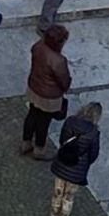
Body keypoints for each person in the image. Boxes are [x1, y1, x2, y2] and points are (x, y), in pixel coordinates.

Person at [48, 102, 102, 216]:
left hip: (62, 164)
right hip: (77, 170)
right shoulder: (93, 132)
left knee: (57, 194)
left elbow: (62, 140)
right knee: (68, 198)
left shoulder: (70, 121)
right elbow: (93, 154)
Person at [21, 24, 72, 160]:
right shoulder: (58, 61)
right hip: (49, 97)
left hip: (34, 88)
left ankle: (26, 143)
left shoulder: (38, 47)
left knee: (32, 115)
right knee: (43, 123)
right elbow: (64, 81)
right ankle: (39, 150)